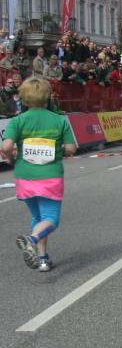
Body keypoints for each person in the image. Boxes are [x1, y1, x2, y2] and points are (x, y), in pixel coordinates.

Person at [2, 78, 76, 271]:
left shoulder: (17, 120)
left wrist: (11, 158)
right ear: (47, 96)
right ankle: (31, 239)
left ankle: (43, 258)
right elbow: (71, 149)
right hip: (50, 175)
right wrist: (58, 149)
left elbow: (6, 146)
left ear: (24, 98)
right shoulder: (59, 120)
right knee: (51, 219)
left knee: (38, 217)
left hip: (24, 175)